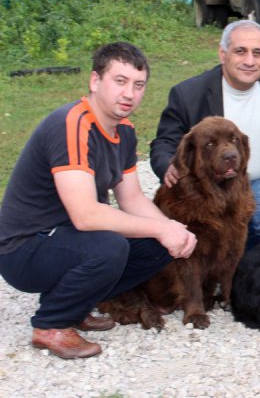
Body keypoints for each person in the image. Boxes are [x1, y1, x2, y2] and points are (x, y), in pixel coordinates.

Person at [0, 42, 197, 359]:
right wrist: (161, 228)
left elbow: (131, 197)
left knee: (159, 242)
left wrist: (172, 229)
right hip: (23, 247)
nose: (129, 94)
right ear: (95, 81)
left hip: (66, 240)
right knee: (110, 247)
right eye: (119, 81)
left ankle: (74, 304)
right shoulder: (73, 125)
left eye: (138, 85)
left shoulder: (125, 131)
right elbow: (86, 216)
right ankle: (51, 324)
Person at [150, 19, 260, 250]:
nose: (250, 61)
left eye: (258, 53)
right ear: (223, 54)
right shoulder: (189, 94)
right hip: (210, 183)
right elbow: (164, 140)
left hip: (258, 180)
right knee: (207, 232)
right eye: (240, 51)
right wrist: (167, 165)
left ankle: (244, 265)